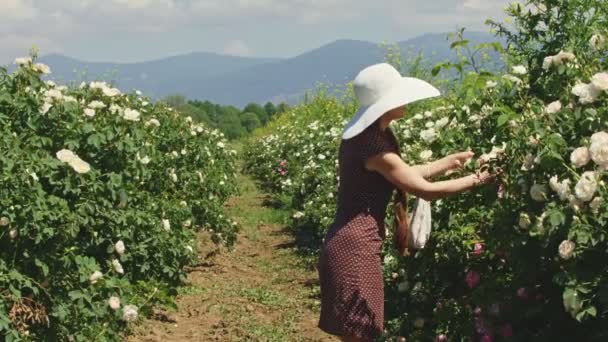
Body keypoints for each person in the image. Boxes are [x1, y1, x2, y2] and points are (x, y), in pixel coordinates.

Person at [317, 63, 495, 342]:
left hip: (350, 243)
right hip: (354, 248)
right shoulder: (374, 146)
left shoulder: (375, 137)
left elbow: (402, 175)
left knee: (362, 333)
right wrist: (479, 179)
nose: (406, 100)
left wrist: (448, 163)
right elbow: (425, 190)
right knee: (361, 334)